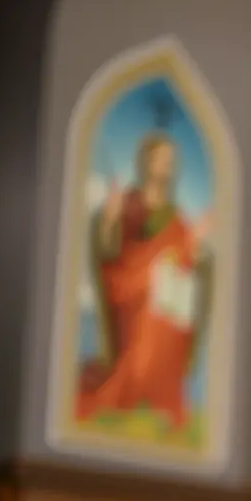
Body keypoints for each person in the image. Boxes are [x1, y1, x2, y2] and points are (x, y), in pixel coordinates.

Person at [77, 132, 213, 429]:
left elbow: (185, 255)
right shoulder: (129, 203)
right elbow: (110, 252)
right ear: (147, 163)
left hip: (163, 302)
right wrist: (111, 220)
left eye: (171, 161)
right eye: (162, 160)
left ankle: (160, 404)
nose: (167, 166)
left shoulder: (175, 216)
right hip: (130, 294)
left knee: (166, 319)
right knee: (149, 320)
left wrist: (195, 248)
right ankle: (129, 396)